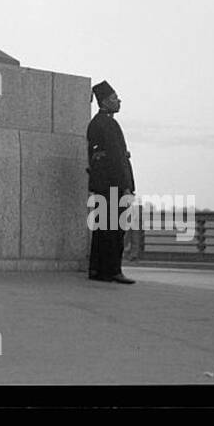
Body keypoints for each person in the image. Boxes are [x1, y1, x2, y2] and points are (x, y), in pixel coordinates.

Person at [86, 80, 135, 284]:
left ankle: (98, 270)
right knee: (114, 229)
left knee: (102, 228)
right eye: (115, 98)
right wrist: (126, 186)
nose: (119, 101)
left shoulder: (97, 123)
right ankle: (113, 270)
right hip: (113, 184)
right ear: (104, 102)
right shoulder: (108, 124)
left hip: (102, 184)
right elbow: (116, 159)